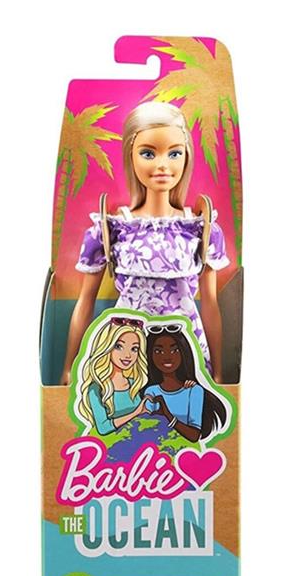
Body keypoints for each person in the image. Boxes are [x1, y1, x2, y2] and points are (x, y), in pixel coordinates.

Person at [61, 101, 229, 384]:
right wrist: (70, 365)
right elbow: (85, 301)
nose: (163, 165)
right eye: (148, 153)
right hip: (127, 351)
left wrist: (220, 372)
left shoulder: (201, 229)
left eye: (174, 153)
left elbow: (210, 304)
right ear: (131, 155)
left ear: (186, 156)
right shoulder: (112, 229)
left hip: (186, 349)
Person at [143, 324, 229, 443]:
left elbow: (194, 435)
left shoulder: (194, 391)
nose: (167, 357)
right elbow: (146, 431)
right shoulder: (151, 391)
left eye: (174, 350)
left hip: (188, 451)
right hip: (154, 450)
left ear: (184, 351)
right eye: (158, 351)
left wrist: (168, 415)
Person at [75, 317, 150, 436]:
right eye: (119, 346)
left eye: (134, 349)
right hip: (110, 444)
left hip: (137, 439)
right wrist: (136, 412)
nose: (128, 355)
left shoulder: (134, 384)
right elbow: (103, 428)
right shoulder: (96, 389)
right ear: (106, 346)